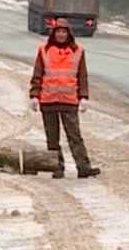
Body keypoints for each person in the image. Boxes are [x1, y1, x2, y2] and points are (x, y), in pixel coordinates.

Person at [29, 18, 100, 180]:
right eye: (58, 32)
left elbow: (82, 75)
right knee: (52, 137)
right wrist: (34, 95)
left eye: (64, 32)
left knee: (75, 136)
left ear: (69, 34)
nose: (61, 34)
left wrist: (83, 96)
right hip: (48, 100)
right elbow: (38, 74)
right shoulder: (44, 50)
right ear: (53, 33)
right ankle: (56, 167)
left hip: (69, 100)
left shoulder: (78, 51)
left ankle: (83, 167)